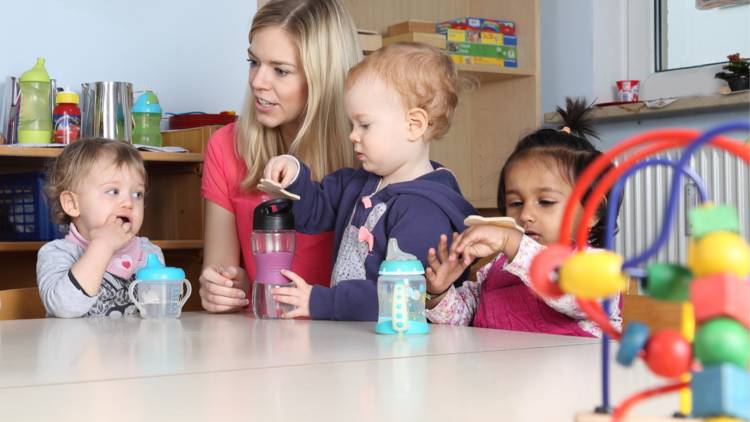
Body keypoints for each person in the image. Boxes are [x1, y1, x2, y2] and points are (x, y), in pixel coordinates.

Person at [263, 42, 477, 320]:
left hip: (400, 349)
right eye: (352, 124)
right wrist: (293, 175)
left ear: (414, 125)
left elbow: (399, 296)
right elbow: (311, 214)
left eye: (364, 125)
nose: (353, 135)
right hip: (355, 338)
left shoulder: (424, 210)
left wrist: (322, 301)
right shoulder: (355, 183)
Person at [199, 0, 362, 313]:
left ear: (323, 79)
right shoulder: (225, 147)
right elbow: (224, 275)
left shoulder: (368, 153)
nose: (258, 82)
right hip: (263, 343)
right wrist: (223, 289)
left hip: (349, 344)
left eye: (280, 70)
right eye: (254, 62)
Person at [424, 98, 623, 337]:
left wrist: (515, 244)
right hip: (498, 371)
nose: (526, 215)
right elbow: (465, 320)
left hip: (574, 374)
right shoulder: (498, 267)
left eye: (546, 202)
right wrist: (440, 293)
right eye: (515, 203)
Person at [37, 138, 163, 317]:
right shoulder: (57, 253)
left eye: (137, 194)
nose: (128, 202)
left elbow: (158, 316)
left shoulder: (149, 253)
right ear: (72, 204)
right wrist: (102, 246)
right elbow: (64, 308)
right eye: (113, 191)